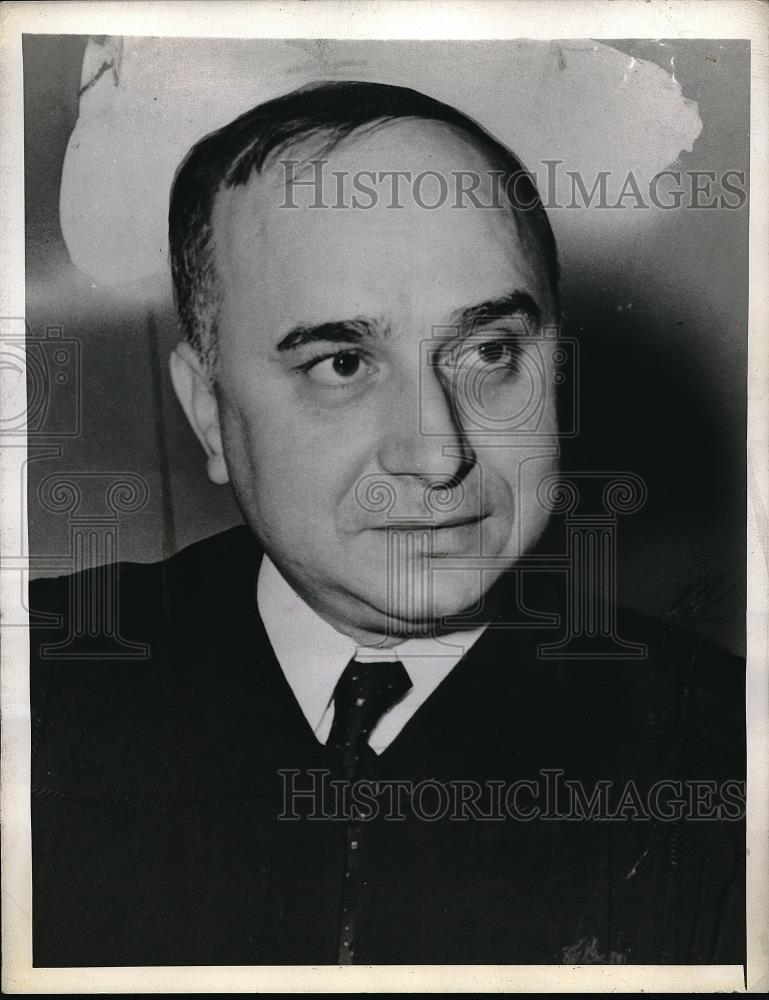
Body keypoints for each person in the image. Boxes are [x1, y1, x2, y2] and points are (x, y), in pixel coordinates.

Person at [29, 81, 745, 967]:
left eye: (489, 352)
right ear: (208, 411)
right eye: (341, 362)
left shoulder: (720, 754)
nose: (436, 453)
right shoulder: (38, 689)